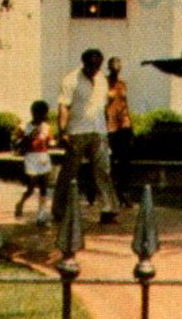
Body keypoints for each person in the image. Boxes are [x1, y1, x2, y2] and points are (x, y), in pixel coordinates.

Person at [54, 48, 121, 225]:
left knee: (103, 171)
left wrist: (109, 128)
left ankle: (109, 209)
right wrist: (62, 131)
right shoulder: (70, 80)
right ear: (84, 63)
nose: (94, 69)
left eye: (97, 65)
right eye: (91, 65)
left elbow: (104, 105)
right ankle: (59, 209)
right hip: (77, 132)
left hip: (98, 131)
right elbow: (63, 107)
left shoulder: (101, 80)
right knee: (69, 172)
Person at [14, 100, 54, 224]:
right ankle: (21, 202)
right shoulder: (25, 127)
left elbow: (50, 142)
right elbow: (17, 143)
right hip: (31, 157)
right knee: (31, 186)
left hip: (43, 157)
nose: (41, 116)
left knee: (44, 186)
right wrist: (29, 136)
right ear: (33, 113)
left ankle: (41, 214)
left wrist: (51, 142)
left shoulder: (47, 127)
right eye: (38, 113)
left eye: (43, 114)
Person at [105, 56, 134, 189]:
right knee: (109, 158)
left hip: (123, 125)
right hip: (109, 125)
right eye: (114, 67)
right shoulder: (103, 84)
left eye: (119, 66)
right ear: (109, 67)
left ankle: (123, 188)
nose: (116, 69)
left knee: (124, 158)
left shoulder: (122, 84)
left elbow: (125, 104)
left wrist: (130, 123)